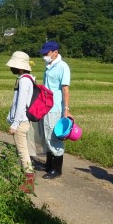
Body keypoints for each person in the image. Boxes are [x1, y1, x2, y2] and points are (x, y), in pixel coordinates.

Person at [35, 41, 71, 179]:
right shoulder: (49, 65)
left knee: (53, 136)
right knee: (45, 135)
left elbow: (65, 89)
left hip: (55, 107)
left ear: (55, 52)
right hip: (45, 106)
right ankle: (48, 165)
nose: (44, 55)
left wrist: (66, 109)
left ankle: (57, 169)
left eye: (47, 53)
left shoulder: (62, 67)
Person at [6, 51, 36, 193]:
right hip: (25, 120)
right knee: (23, 150)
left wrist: (14, 124)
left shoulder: (24, 80)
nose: (11, 68)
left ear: (19, 67)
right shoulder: (28, 78)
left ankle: (29, 183)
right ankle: (27, 179)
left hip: (21, 121)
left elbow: (21, 104)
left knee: (22, 152)